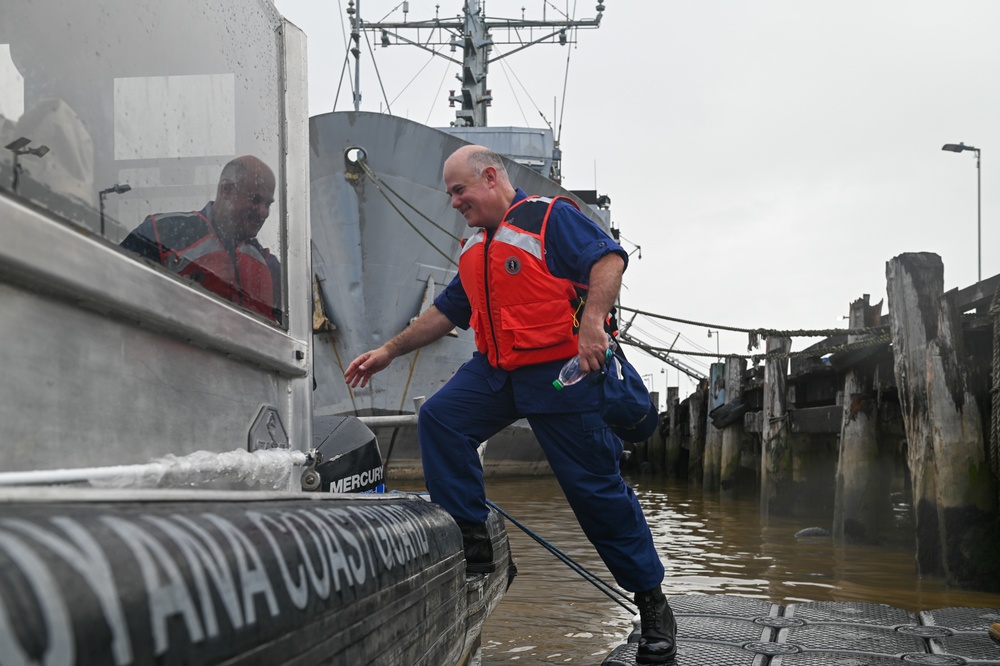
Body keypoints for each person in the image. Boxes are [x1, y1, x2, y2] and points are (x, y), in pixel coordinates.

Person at [344, 145, 676, 664]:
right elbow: (447, 311)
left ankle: (653, 603)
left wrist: (592, 324)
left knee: (596, 495)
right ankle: (475, 544)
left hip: (561, 375)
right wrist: (388, 351)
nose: (454, 201)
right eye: (451, 192)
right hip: (498, 372)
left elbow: (608, 258)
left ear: (491, 177)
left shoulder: (550, 219)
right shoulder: (476, 246)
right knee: (440, 419)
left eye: (460, 190)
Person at [120, 155, 281, 323]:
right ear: (226, 189)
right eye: (255, 200)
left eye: (268, 204)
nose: (264, 213)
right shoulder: (162, 233)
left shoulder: (270, 265)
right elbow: (111, 285)